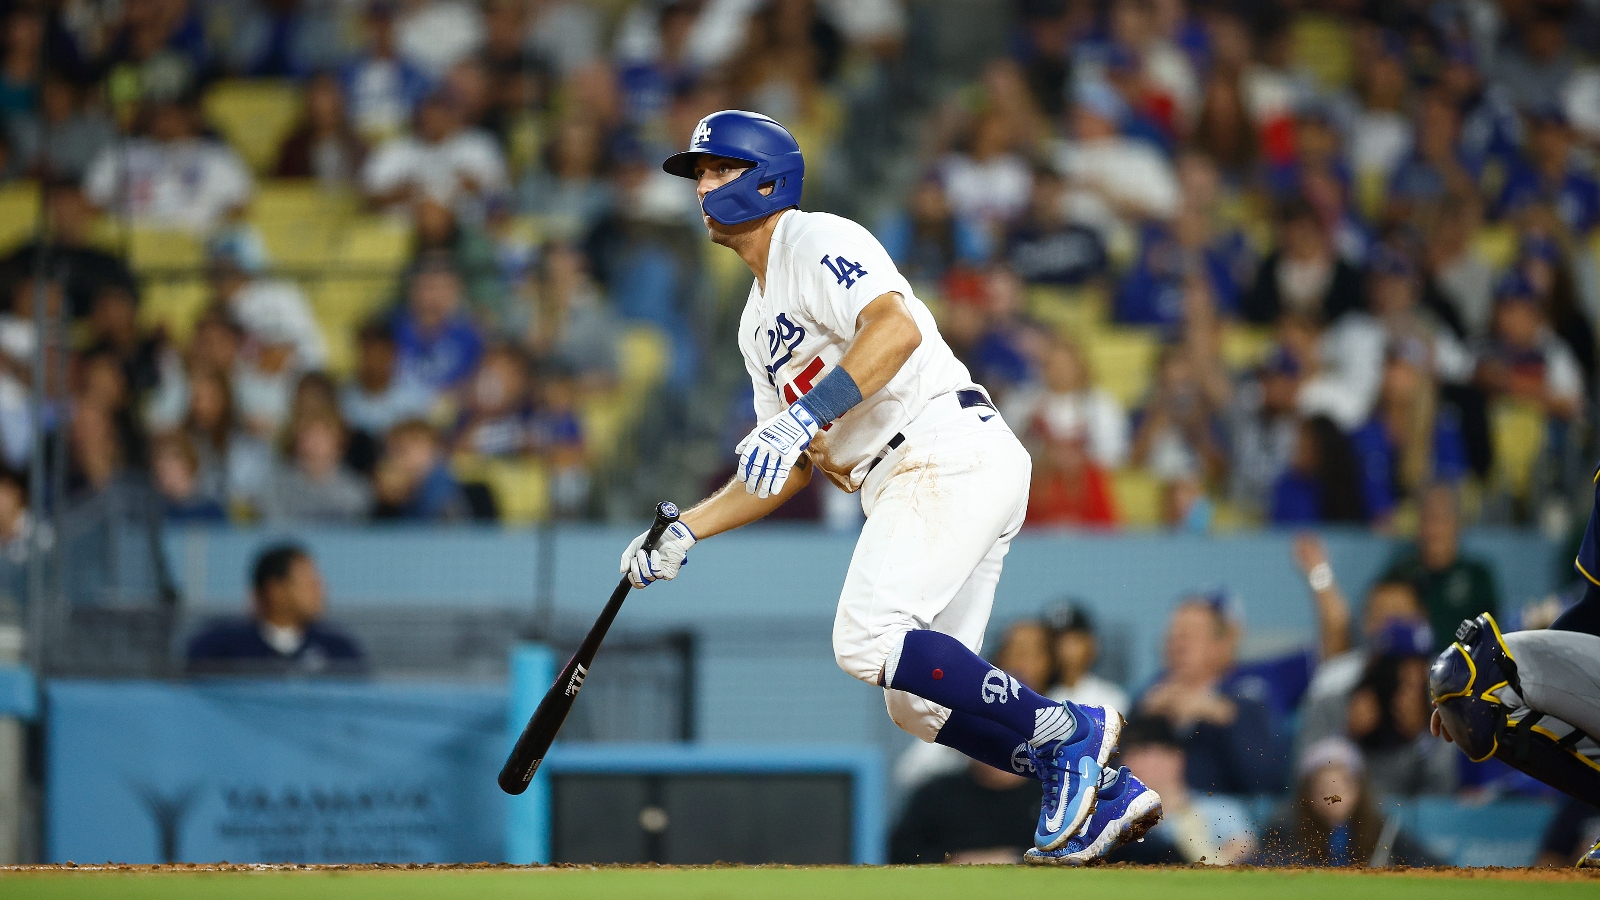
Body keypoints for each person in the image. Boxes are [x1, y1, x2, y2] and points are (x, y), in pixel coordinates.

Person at [621, 110, 1146, 864]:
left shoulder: (814, 238)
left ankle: (1070, 732)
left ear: (768, 177)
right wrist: (686, 529)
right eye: (698, 173)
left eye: (719, 169)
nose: (703, 186)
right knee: (918, 704)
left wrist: (802, 419)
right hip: (917, 474)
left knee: (865, 637)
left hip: (942, 447)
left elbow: (893, 330)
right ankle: (1105, 784)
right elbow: (790, 465)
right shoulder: (752, 320)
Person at [1137, 596, 1287, 795]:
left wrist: (1226, 718)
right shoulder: (1147, 700)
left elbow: (1266, 781)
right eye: (1173, 637)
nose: (1178, 646)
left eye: (1189, 637)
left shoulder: (1245, 705)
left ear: (1222, 646)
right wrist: (1141, 718)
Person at [1254, 736, 1437, 867]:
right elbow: (1261, 864)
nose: (1334, 797)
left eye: (1342, 787)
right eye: (1324, 788)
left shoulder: (1383, 831)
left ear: (1358, 790)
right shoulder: (1285, 828)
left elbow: (1431, 865)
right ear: (1308, 794)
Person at [186, 543, 364, 675]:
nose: (320, 591)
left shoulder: (339, 650)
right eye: (310, 584)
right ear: (275, 590)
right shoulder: (219, 648)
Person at [1117, 716, 1256, 865]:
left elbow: (1244, 857)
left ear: (1175, 758)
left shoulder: (1222, 811)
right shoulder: (1117, 818)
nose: (1134, 763)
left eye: (1143, 753)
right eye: (1129, 754)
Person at [1381, 484, 1499, 652]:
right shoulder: (1401, 572)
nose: (1434, 530)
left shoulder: (1477, 576)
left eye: (1442, 519)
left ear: (1457, 525)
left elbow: (1491, 636)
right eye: (1428, 519)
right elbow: (1374, 621)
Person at [889, 756, 1041, 864]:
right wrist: (950, 860)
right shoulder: (936, 794)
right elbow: (901, 852)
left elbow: (1062, 854)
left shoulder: (1056, 795)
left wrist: (1018, 858)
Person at [1044, 602, 1129, 716]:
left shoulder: (1111, 699)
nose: (1065, 649)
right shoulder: (1042, 696)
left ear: (1091, 644)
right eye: (1058, 642)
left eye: (1074, 641)